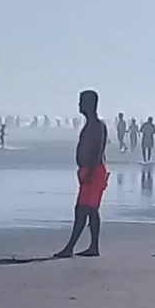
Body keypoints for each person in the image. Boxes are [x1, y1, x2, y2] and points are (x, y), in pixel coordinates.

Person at [54, 90, 108, 258]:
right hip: (89, 170)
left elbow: (98, 150)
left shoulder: (97, 125)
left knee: (81, 209)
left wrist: (90, 172)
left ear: (90, 104)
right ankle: (93, 247)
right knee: (91, 210)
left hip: (94, 171)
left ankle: (70, 248)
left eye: (81, 102)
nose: (79, 105)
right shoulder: (91, 124)